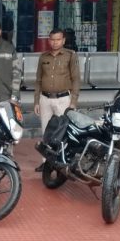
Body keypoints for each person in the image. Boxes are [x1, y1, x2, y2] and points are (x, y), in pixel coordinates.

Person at [33, 28, 81, 171]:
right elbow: (38, 80)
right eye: (52, 39)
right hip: (45, 99)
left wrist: (73, 102)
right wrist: (36, 101)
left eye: (58, 39)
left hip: (63, 99)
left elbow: (76, 79)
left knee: (63, 131)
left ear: (63, 40)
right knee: (46, 131)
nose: (55, 42)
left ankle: (62, 161)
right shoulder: (43, 57)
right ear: (49, 40)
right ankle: (46, 163)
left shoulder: (70, 56)